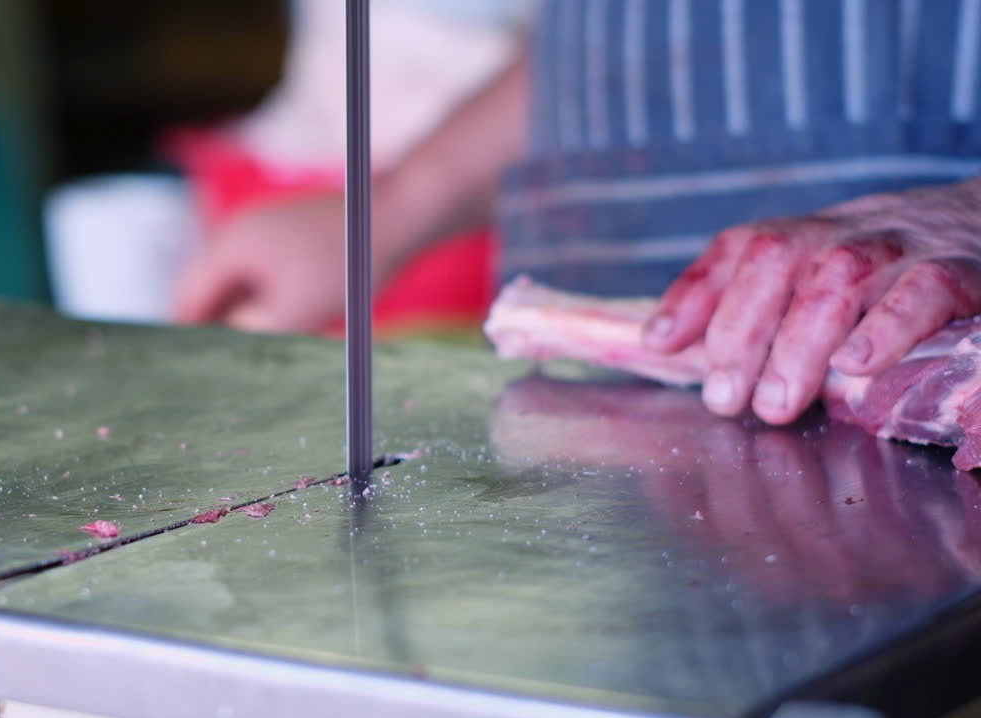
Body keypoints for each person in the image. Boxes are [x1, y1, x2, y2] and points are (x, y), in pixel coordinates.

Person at [176, 0, 981, 428]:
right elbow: (613, 35)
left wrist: (969, 211)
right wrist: (390, 209)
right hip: (587, 415)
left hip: (903, 391)